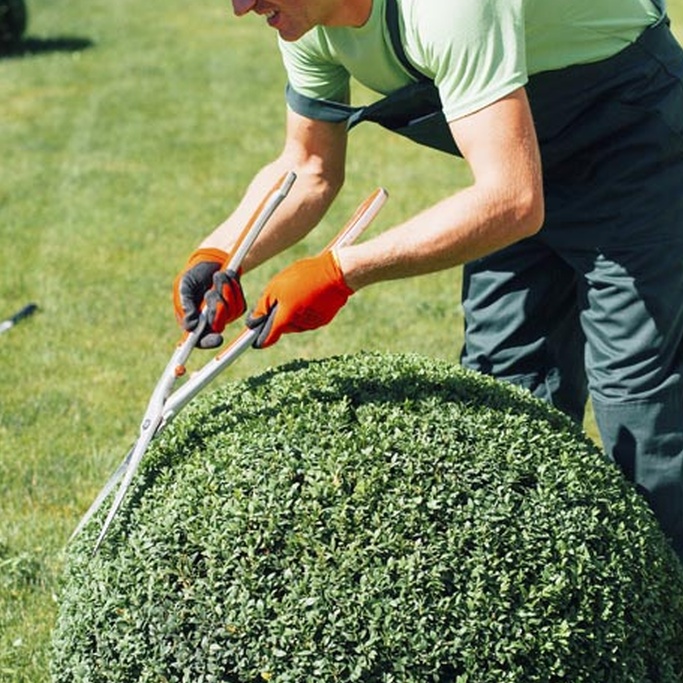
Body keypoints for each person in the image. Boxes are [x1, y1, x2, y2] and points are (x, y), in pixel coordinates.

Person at [173, 0, 683, 559]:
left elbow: (512, 201)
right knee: (503, 390)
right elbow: (310, 166)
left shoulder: (447, 7)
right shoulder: (305, 22)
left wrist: (341, 272)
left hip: (632, 139)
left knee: (640, 405)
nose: (242, 7)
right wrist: (221, 255)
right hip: (519, 153)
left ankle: (666, 614)